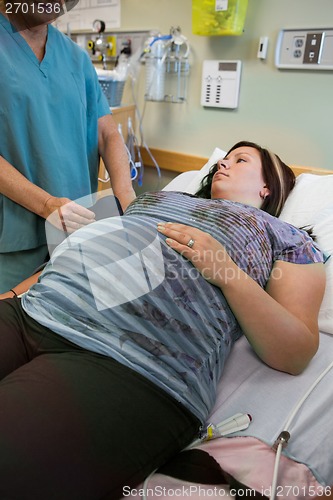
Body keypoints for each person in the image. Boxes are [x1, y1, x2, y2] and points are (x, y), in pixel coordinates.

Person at [0, 141, 326, 499]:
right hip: (30, 312)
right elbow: (84, 252)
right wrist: (16, 294)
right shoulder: (155, 200)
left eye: (240, 159)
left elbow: (295, 351)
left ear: (268, 186)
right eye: (223, 158)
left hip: (129, 362)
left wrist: (225, 270)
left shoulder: (285, 237)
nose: (223, 164)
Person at [0, 0, 136, 292]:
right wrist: (47, 204)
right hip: (13, 238)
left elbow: (107, 133)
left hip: (77, 230)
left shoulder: (75, 57)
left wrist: (126, 197)